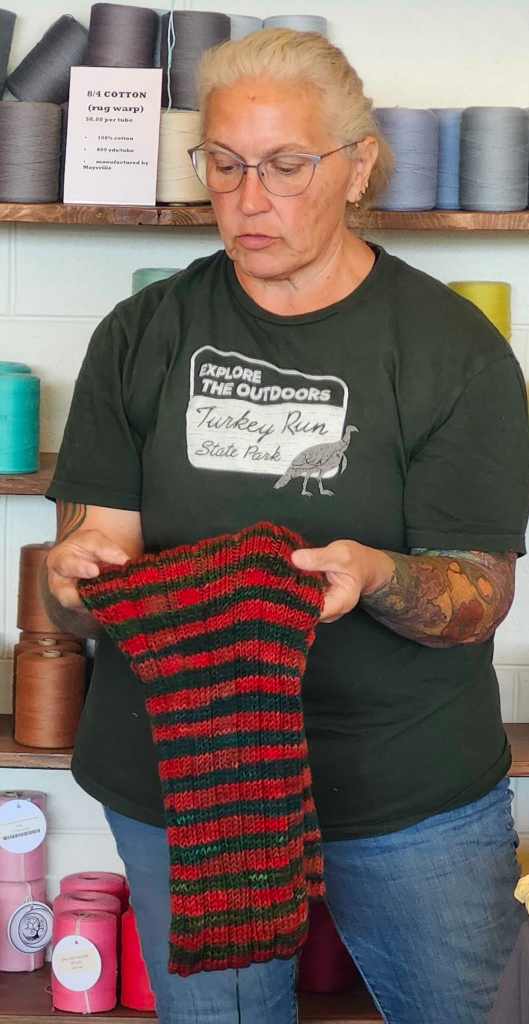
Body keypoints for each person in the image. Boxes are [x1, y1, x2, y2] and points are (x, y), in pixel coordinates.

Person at [43, 28, 529, 1024]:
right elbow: (100, 556)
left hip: (405, 794)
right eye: (223, 164)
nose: (248, 198)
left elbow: (477, 596)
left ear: (358, 166)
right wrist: (80, 576)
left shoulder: (453, 351)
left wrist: (375, 574)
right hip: (182, 784)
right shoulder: (142, 335)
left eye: (285, 165)